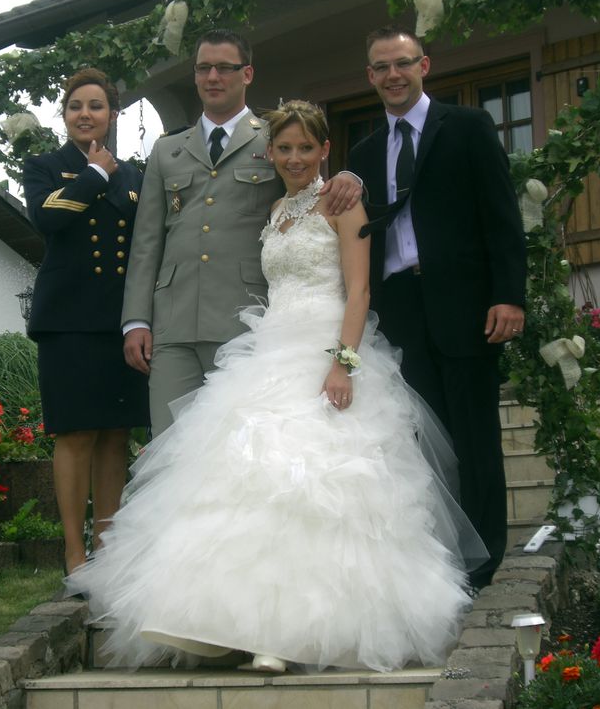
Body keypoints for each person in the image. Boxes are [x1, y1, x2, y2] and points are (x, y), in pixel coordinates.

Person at [67, 100, 486, 673]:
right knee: (245, 482)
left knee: (316, 489)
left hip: (327, 351)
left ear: (324, 151)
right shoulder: (278, 210)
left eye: (305, 149)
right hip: (268, 349)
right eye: (284, 149)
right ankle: (224, 624)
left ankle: (291, 637)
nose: (294, 158)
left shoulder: (343, 201)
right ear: (271, 154)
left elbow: (360, 292)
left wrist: (343, 363)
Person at [347, 26, 527, 590]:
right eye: (381, 67)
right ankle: (442, 555)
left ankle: (484, 558)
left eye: (403, 63)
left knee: (473, 433)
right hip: (400, 308)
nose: (393, 75)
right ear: (370, 77)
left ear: (424, 65)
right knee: (425, 436)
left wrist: (509, 295)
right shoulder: (364, 153)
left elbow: (502, 216)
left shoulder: (467, 128)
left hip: (466, 303)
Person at [122, 28, 361, 434]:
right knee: (169, 443)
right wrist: (136, 321)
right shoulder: (167, 150)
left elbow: (309, 186)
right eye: (203, 68)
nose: (213, 77)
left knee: (228, 449)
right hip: (172, 325)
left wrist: (351, 177)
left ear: (247, 74)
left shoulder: (274, 138)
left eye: (224, 68)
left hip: (244, 323)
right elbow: (147, 242)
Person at [23, 67, 149, 573]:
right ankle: (75, 552)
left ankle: (108, 547)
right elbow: (47, 217)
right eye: (76, 106)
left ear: (112, 115)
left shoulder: (136, 175)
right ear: (65, 114)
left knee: (115, 433)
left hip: (118, 319)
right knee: (74, 433)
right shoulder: (45, 166)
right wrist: (96, 175)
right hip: (68, 321)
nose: (85, 114)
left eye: (96, 106)